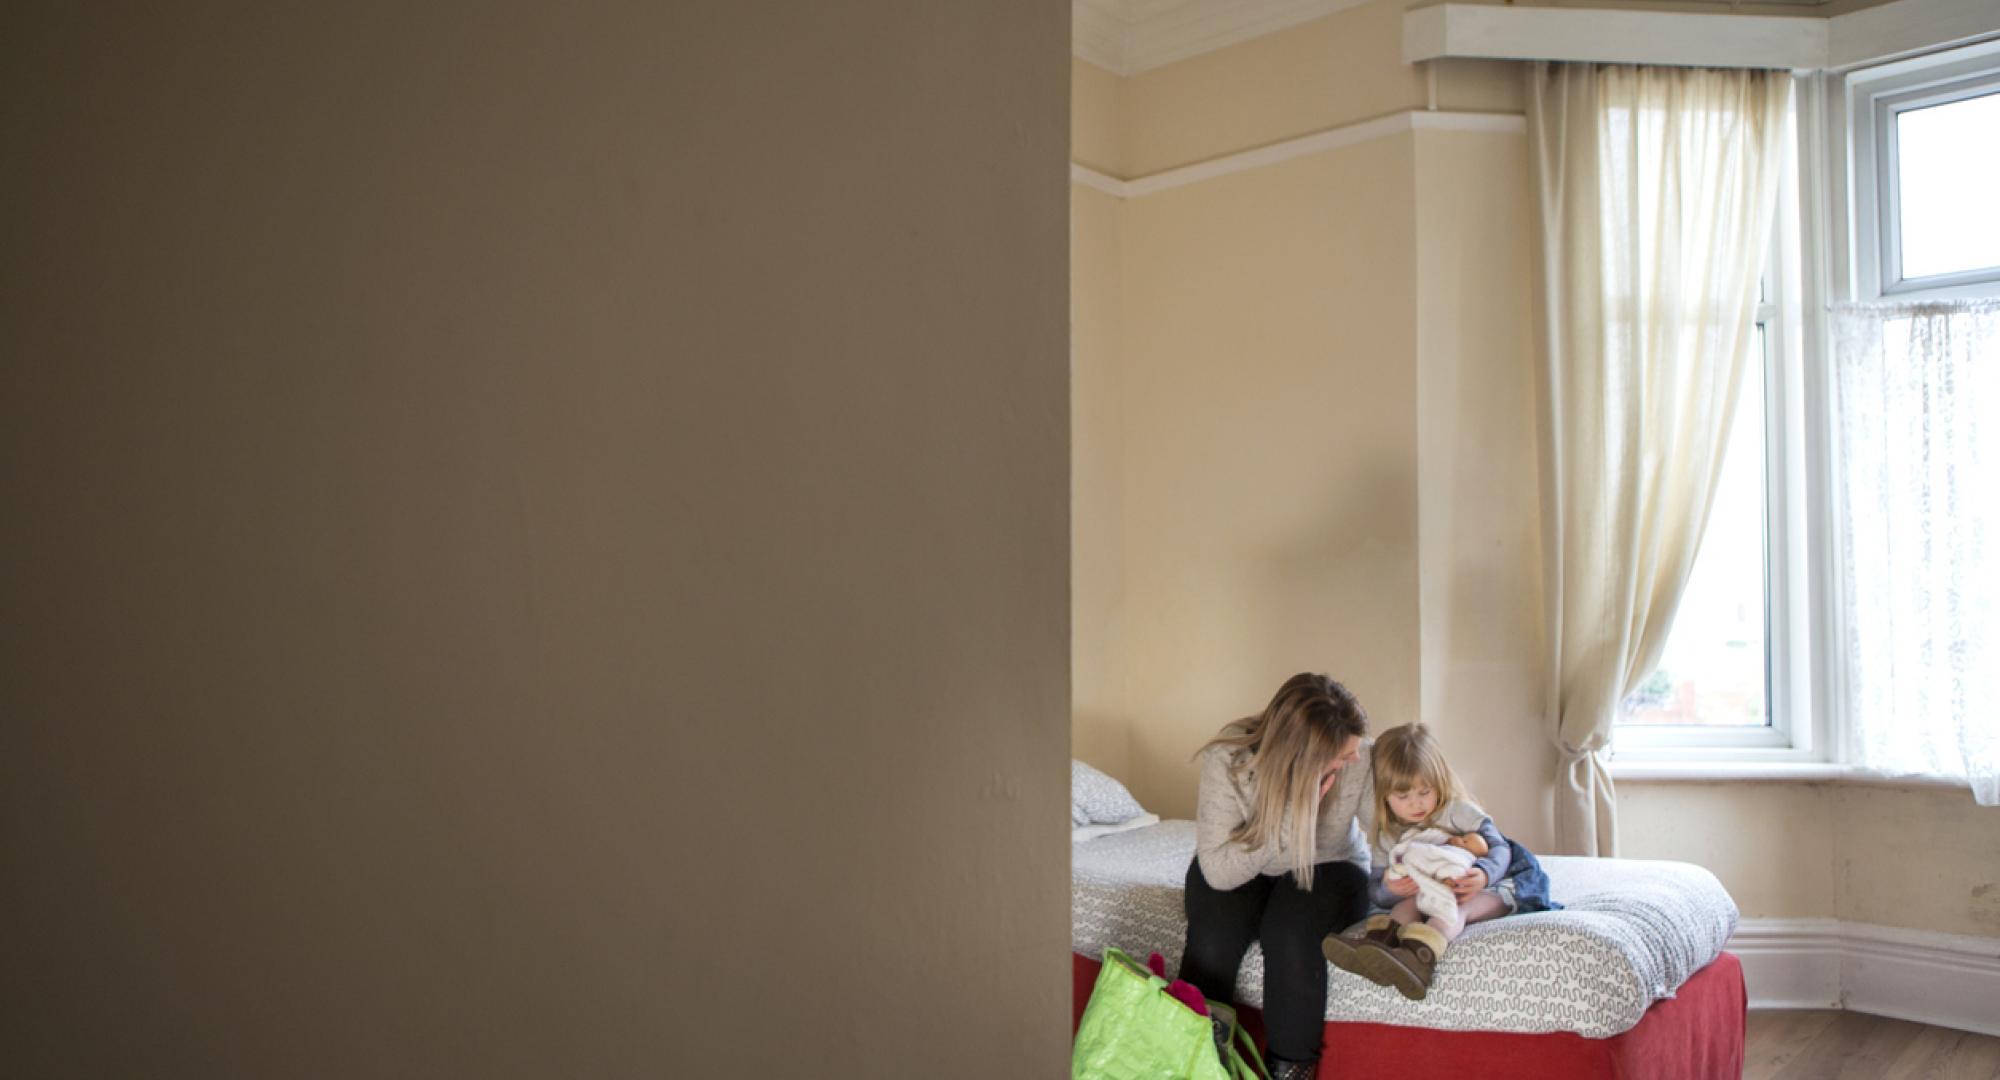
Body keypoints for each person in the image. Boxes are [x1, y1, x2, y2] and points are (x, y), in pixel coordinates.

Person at [1180, 672, 1373, 1080]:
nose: (1354, 759)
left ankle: (1288, 1071)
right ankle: (1195, 1063)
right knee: (1215, 933)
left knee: (1289, 930)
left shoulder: (1361, 757)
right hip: (1243, 863)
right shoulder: (1229, 758)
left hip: (1330, 866)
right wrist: (1290, 815)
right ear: (1300, 756)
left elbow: (1396, 826)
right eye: (1342, 754)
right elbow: (1217, 870)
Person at [1321, 723, 1556, 1000]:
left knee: (1457, 904)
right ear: (1383, 795)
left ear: (1439, 783)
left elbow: (1499, 848)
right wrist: (1390, 890)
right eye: (1403, 796)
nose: (1416, 804)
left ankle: (1421, 955)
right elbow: (1377, 891)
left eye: (1424, 792)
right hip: (1436, 886)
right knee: (1408, 904)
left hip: (1494, 884)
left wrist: (1483, 874)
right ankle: (1378, 945)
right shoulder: (1388, 835)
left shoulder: (1456, 811)